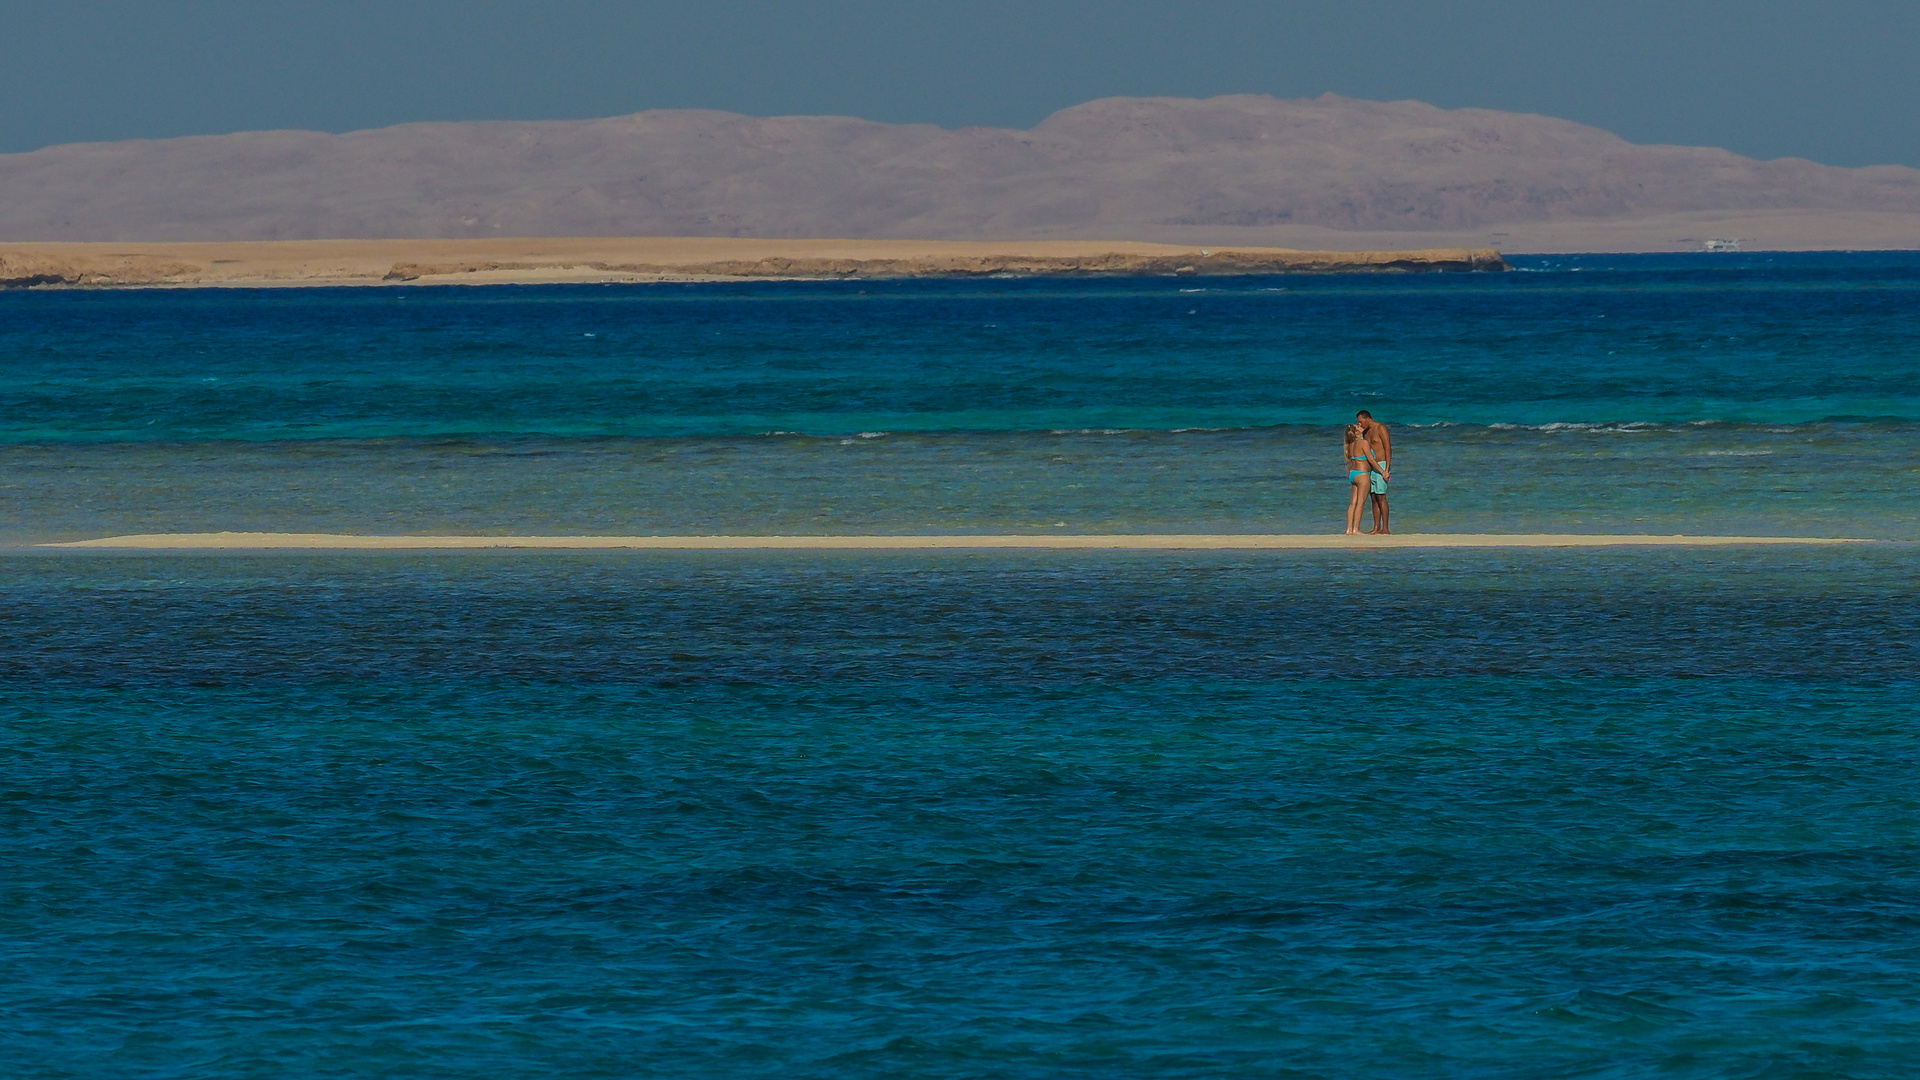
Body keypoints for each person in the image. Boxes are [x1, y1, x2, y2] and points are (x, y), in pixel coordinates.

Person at [1344, 423, 1388, 535]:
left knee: (1352, 503)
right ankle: (1356, 529)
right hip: (1363, 474)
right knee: (1360, 502)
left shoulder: (1351, 444)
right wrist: (1383, 471)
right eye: (1358, 427)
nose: (1360, 426)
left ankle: (1349, 529)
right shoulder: (1363, 443)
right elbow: (1371, 460)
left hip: (1353, 474)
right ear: (1356, 432)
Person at [1357, 410, 1391, 534]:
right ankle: (1376, 527)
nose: (1360, 425)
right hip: (1371, 467)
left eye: (1360, 422)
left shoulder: (1380, 428)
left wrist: (1386, 469)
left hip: (1382, 464)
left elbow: (1388, 448)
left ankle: (1385, 528)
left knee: (1381, 496)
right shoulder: (1366, 432)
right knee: (1373, 497)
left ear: (1368, 419)